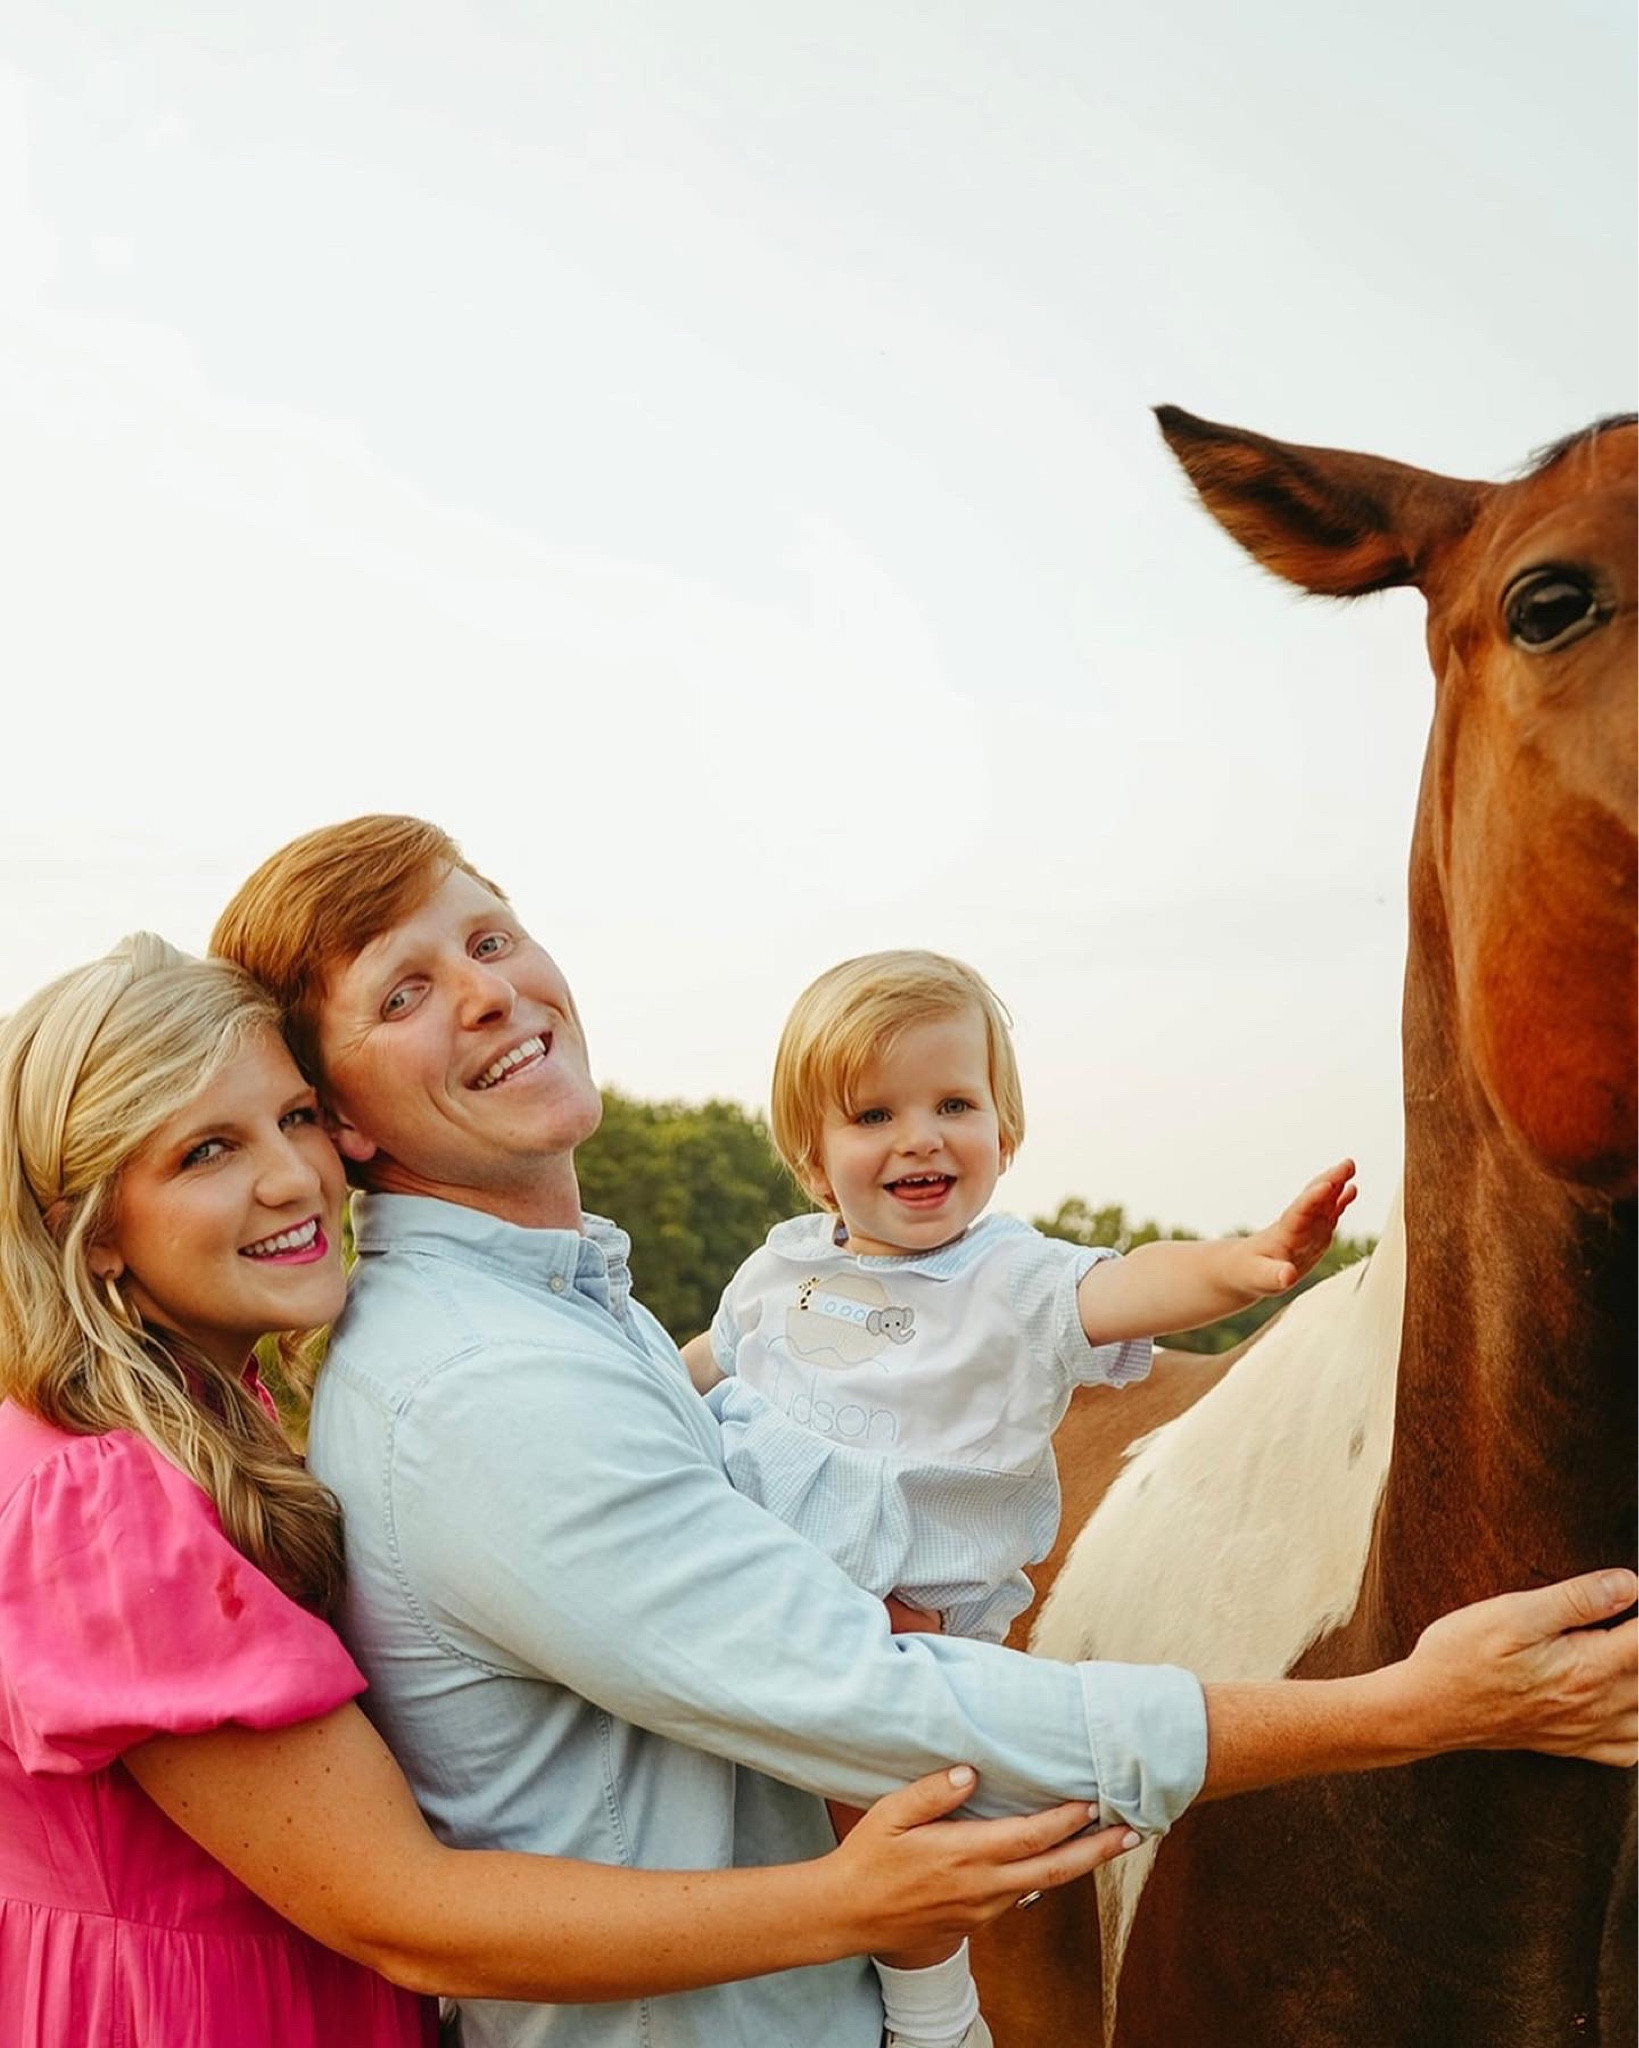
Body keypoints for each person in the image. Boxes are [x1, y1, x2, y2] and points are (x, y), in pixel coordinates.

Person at [210, 815, 1639, 2048]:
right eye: (405, 990)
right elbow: (875, 1697)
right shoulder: (482, 1386)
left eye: (490, 935)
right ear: (333, 1114)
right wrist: (1406, 1711)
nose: (485, 991)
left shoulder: (583, 1317)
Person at [0, 935, 1143, 2048]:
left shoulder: (196, 1410)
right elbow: (398, 1908)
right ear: (87, 1229)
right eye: (205, 1151)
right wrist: (852, 1897)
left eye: (296, 1117)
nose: (293, 1173)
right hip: (186, 2013)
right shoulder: (99, 1497)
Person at [679, 947, 1356, 2048]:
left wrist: (1243, 1262)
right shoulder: (782, 1267)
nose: (920, 1135)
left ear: (1005, 1131)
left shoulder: (1015, 1278)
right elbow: (708, 1357)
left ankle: (934, 2004)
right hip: (757, 1581)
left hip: (906, 1614)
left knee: (891, 1807)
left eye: (955, 1102)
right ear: (813, 1156)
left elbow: (1129, 1281)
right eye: (873, 1112)